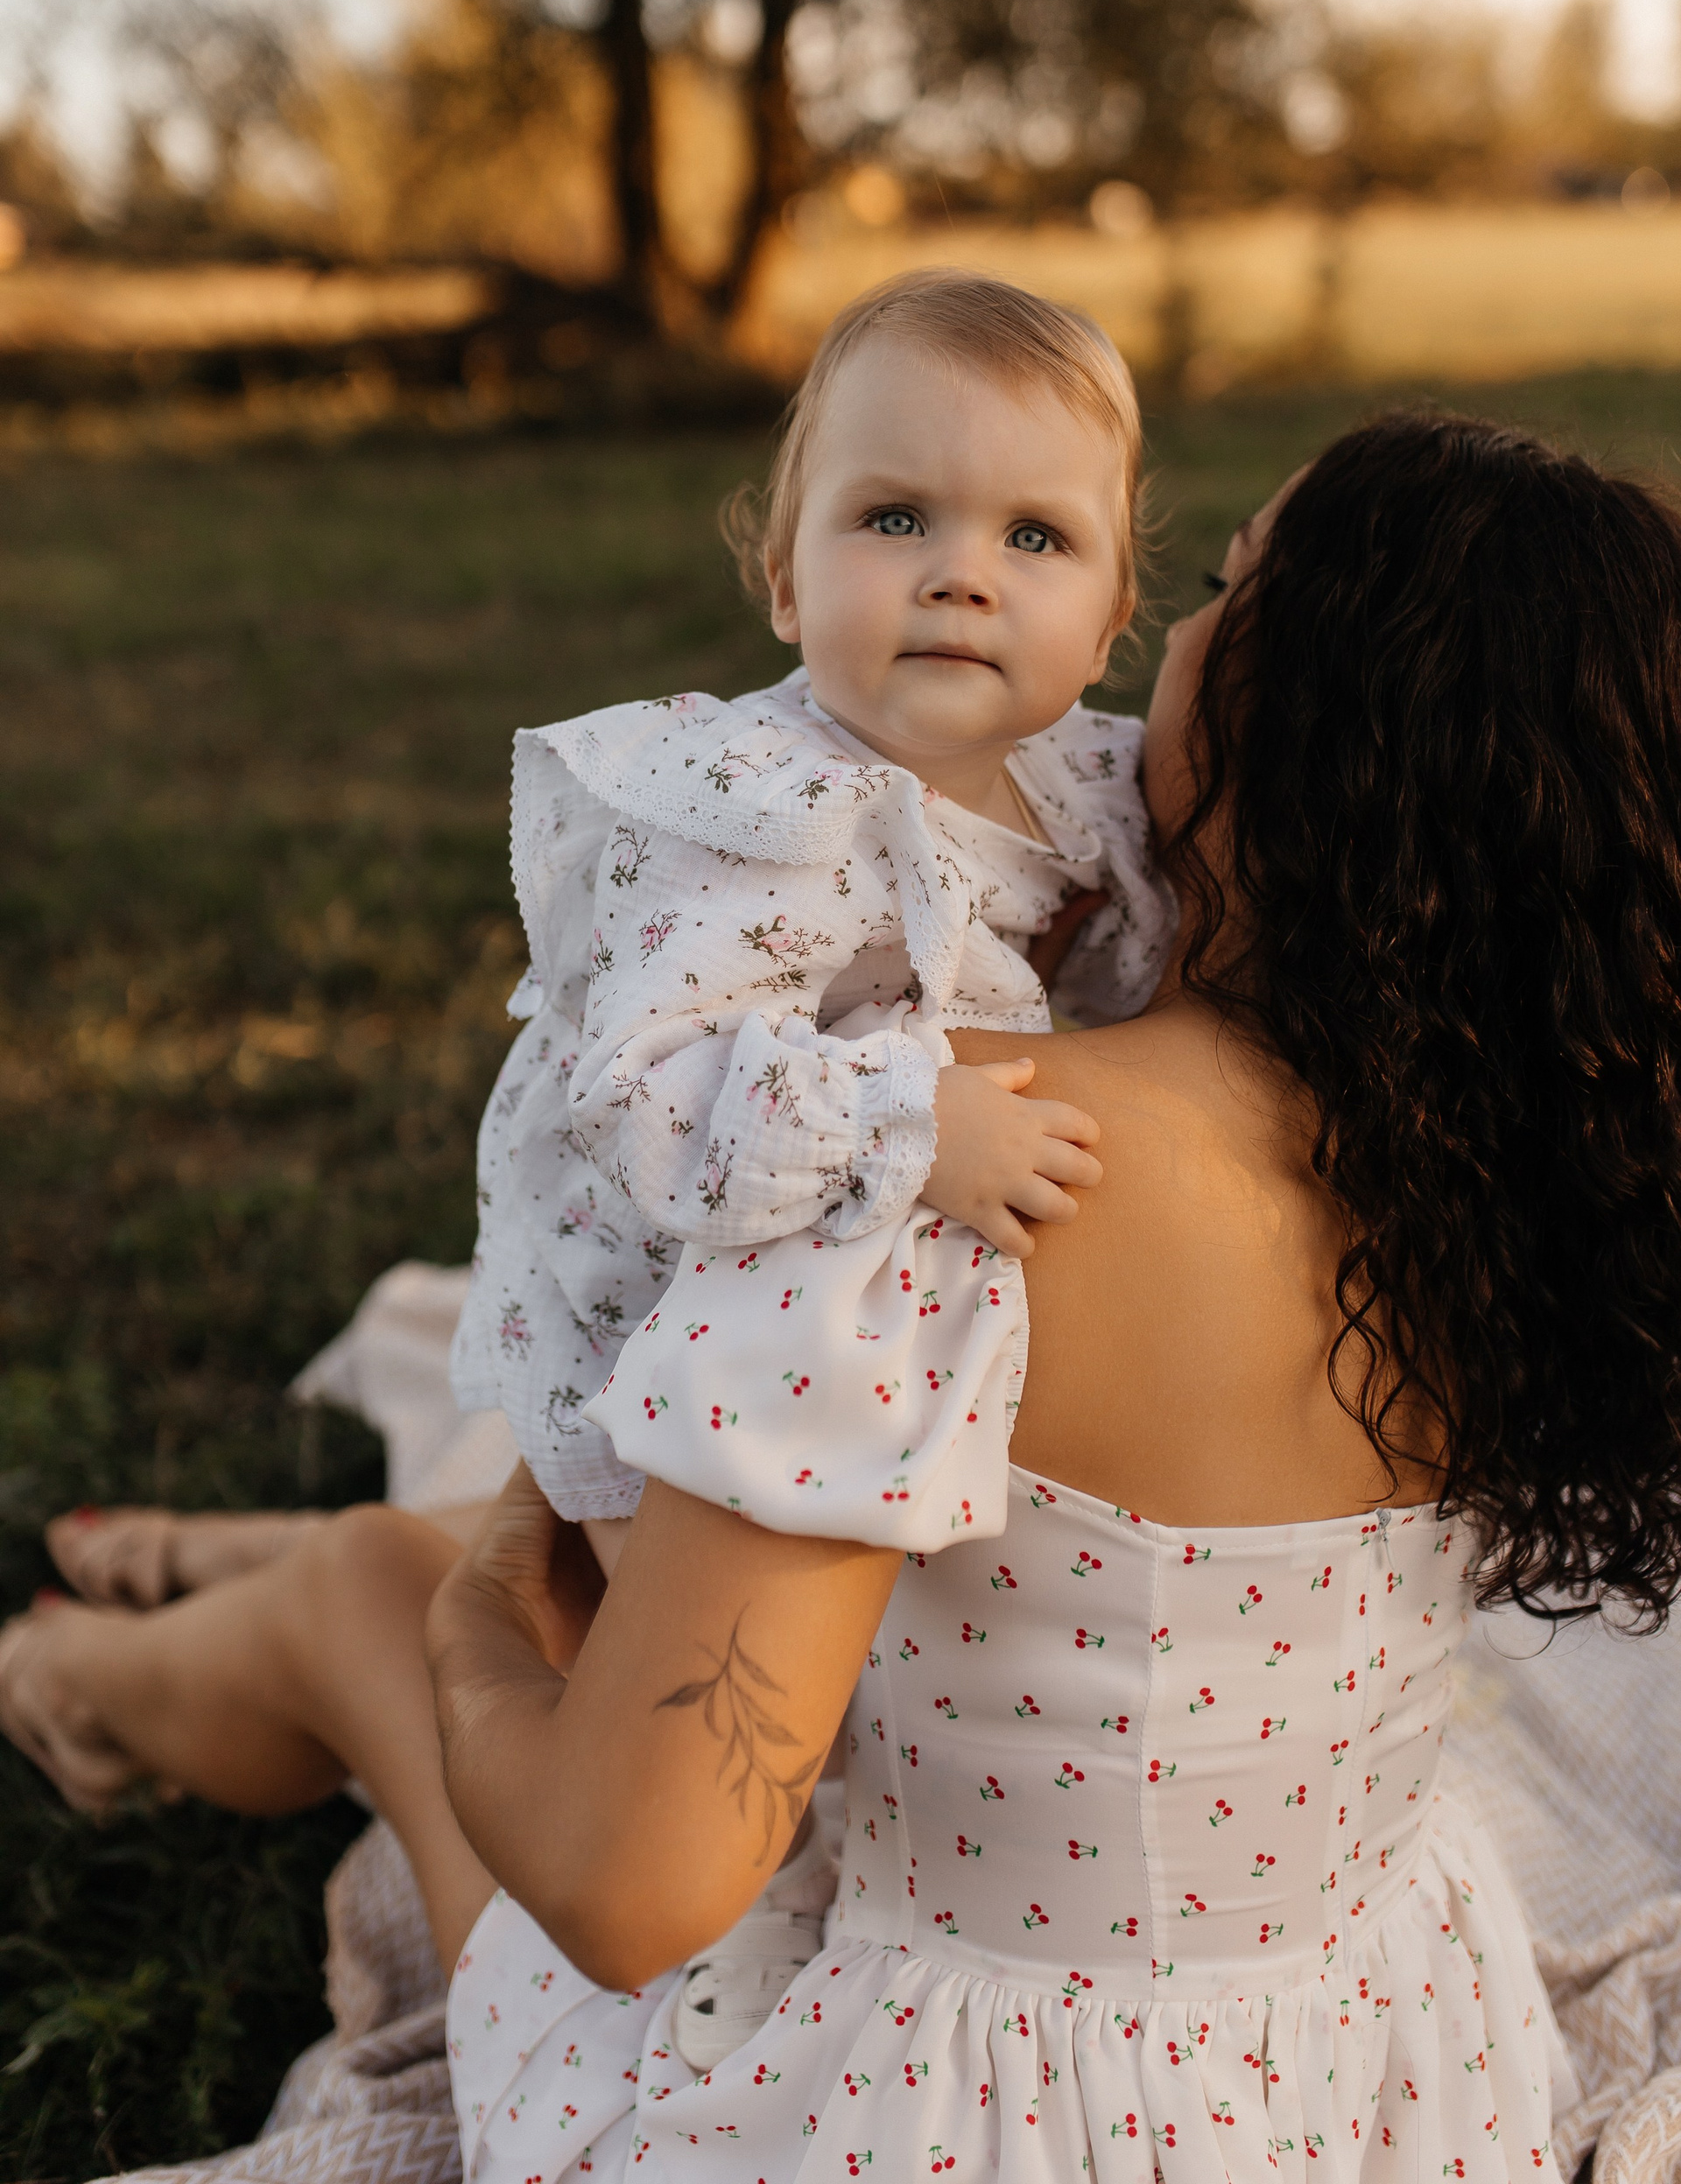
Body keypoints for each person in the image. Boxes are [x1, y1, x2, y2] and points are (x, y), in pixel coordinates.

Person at [9, 413, 1681, 2184]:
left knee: (376, 1584)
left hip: (922, 2117)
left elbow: (628, 1890)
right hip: (1373, 2084)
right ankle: (179, 1606)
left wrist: (470, 1622)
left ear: (1300, 723)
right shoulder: (1542, 1203)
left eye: (1219, 589)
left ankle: (70, 1685)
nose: (1165, 636)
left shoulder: (952, 1164)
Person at [443, 264, 1175, 2054]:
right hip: (647, 1312)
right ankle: (698, 1943)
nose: (961, 573)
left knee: (894, 1655)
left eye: (1034, 538)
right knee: (713, 1708)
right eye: (894, 517)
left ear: (1108, 623)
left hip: (842, 1301)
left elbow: (1127, 955)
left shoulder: (1083, 782)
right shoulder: (749, 813)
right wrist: (918, 1121)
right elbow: (645, 1106)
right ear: (783, 576)